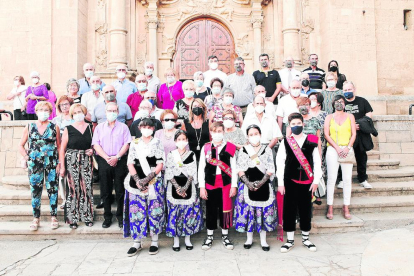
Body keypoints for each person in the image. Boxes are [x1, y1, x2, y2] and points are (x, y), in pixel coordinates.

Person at [276, 113, 322, 253]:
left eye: (298, 123)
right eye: (293, 124)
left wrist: (316, 181)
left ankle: (305, 238)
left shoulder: (312, 140)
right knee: (289, 210)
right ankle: (290, 240)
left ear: (303, 124)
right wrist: (281, 183)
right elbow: (280, 162)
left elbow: (317, 161)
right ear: (289, 126)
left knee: (305, 209)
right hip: (290, 180)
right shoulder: (286, 141)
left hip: (307, 182)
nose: (296, 126)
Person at [123, 118, 165, 256]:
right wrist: (138, 181)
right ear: (139, 128)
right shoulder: (135, 143)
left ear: (153, 128)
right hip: (136, 181)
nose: (146, 129)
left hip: (153, 179)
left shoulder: (158, 142)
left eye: (149, 126)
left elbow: (160, 163)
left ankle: (154, 241)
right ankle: (137, 242)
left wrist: (147, 180)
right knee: (136, 210)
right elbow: (130, 162)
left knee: (154, 209)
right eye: (143, 126)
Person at [18, 101, 61, 231]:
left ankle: (54, 216)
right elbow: (21, 145)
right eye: (41, 109)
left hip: (51, 161)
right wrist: (26, 157)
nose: (44, 112)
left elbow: (59, 146)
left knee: (52, 189)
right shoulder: (30, 126)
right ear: (36, 111)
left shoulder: (54, 127)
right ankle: (36, 218)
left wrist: (59, 163)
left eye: (46, 110)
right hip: (34, 163)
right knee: (35, 190)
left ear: (50, 112)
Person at [234, 124, 277, 251]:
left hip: (264, 184)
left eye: (256, 134)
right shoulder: (244, 150)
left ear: (260, 134)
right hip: (247, 185)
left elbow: (270, 169)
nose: (254, 136)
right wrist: (248, 183)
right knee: (249, 212)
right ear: (247, 137)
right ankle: (249, 239)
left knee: (263, 212)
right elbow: (240, 169)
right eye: (251, 135)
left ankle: (263, 241)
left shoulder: (267, 149)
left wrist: (262, 182)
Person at [198, 122, 237, 251]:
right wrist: (202, 187)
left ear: (223, 132)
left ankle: (225, 236)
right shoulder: (206, 147)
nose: (217, 133)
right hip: (210, 183)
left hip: (226, 183)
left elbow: (234, 167)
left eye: (220, 131)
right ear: (211, 133)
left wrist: (234, 185)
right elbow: (201, 169)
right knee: (211, 209)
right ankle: (209, 236)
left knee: (225, 209)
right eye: (215, 131)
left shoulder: (230, 147)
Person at [92, 102, 132, 228]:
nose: (112, 113)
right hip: (104, 160)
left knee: (120, 190)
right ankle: (107, 217)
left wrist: (117, 157)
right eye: (109, 111)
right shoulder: (99, 127)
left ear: (118, 112)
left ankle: (120, 217)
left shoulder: (124, 127)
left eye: (114, 110)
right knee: (105, 190)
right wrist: (106, 157)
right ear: (105, 112)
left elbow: (127, 144)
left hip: (120, 160)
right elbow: (96, 144)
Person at [165, 130, 203, 251]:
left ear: (187, 141)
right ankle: (176, 240)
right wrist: (177, 188)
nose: (182, 141)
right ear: (175, 141)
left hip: (188, 186)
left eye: (184, 139)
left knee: (188, 213)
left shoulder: (191, 154)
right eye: (179, 139)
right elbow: (169, 171)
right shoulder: (171, 154)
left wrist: (185, 187)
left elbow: (192, 172)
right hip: (174, 186)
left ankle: (187, 239)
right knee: (175, 213)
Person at [59, 103, 94, 228]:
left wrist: (92, 150)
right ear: (72, 115)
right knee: (73, 189)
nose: (78, 114)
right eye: (75, 113)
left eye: (80, 112)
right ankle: (72, 218)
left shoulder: (90, 127)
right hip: (72, 158)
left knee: (87, 187)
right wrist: (62, 166)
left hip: (86, 158)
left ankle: (87, 216)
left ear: (84, 113)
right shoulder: (68, 128)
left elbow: (94, 144)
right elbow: (62, 149)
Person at [324, 95, 356, 220]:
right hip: (333, 149)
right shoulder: (329, 117)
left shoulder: (350, 117)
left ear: (344, 104)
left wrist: (348, 147)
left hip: (347, 148)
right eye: (337, 102)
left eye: (341, 102)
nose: (339, 104)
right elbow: (327, 134)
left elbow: (353, 134)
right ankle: (330, 206)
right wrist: (337, 148)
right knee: (331, 179)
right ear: (333, 104)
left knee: (347, 179)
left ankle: (346, 206)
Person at [344, 81, 374, 189]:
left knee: (361, 157)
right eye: (345, 90)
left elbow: (369, 114)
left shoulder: (362, 101)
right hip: (346, 135)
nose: (347, 92)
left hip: (360, 134)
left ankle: (362, 179)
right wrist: (351, 127)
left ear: (354, 89)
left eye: (349, 89)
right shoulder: (341, 102)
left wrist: (360, 124)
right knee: (345, 157)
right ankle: (343, 180)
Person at [52, 96, 75, 209]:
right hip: (59, 150)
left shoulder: (75, 119)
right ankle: (65, 199)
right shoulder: (56, 120)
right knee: (62, 175)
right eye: (62, 105)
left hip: (73, 149)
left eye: (66, 104)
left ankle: (73, 198)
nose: (64, 106)